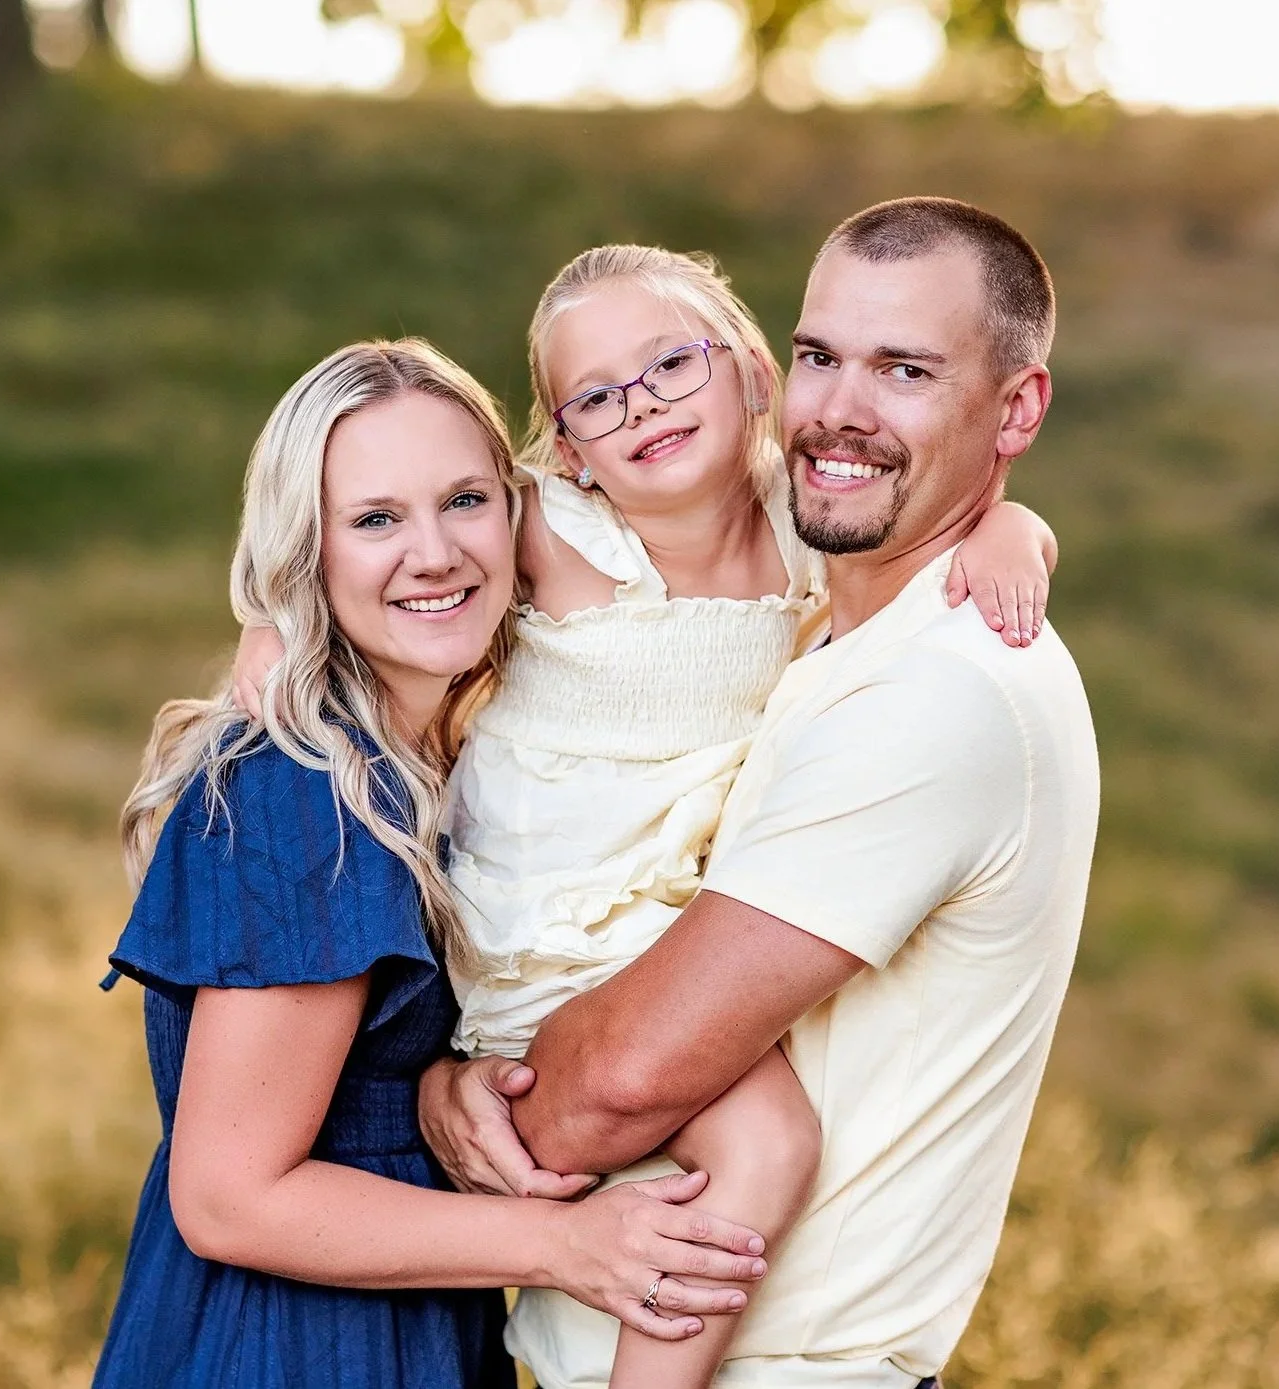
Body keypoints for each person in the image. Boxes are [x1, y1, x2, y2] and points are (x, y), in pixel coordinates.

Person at [237, 245, 1058, 1389]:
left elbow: (950, 501)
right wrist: (274, 636)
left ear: (757, 376)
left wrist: (1013, 534)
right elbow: (409, 551)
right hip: (546, 916)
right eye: (598, 397)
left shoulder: (806, 524)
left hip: (666, 918)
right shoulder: (558, 531)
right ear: (566, 446)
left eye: (675, 362)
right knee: (765, 1139)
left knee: (765, 1143)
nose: (646, 406)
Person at [93, 339, 772, 1389]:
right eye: (374, 520)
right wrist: (567, 1247)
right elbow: (230, 1196)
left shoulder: (434, 763)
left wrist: (443, 1087)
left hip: (410, 1319)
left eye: (464, 501)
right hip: (286, 1345)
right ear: (304, 552)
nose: (437, 553)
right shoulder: (302, 791)